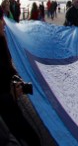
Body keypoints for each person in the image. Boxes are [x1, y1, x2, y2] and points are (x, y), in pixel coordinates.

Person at [0, 13, 41, 145]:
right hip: (5, 110)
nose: (4, 23)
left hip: (9, 103)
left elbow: (8, 69)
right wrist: (10, 94)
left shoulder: (1, 42)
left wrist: (17, 79)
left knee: (33, 137)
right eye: (1, 20)